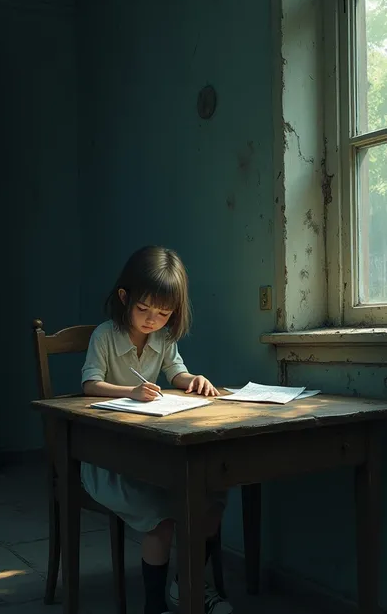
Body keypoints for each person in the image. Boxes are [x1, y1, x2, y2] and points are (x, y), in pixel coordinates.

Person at [81, 245, 232, 614]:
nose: (152, 320)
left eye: (163, 313)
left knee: (210, 504)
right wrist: (130, 391)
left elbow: (175, 373)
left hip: (150, 454)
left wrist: (191, 379)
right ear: (124, 298)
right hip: (109, 458)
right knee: (163, 521)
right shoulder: (104, 335)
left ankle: (189, 586)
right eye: (143, 309)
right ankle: (155, 606)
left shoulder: (163, 339)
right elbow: (89, 384)